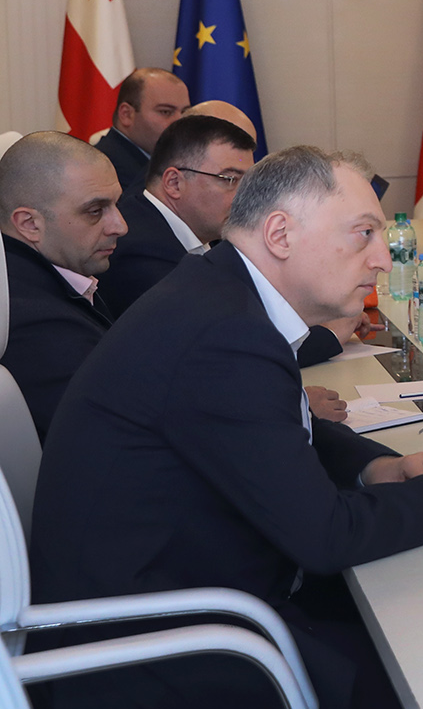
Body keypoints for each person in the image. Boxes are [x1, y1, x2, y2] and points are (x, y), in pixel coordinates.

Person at [31, 145, 423, 709]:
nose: (381, 257)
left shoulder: (219, 294)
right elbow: (325, 536)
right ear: (281, 234)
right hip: (163, 658)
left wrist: (375, 464)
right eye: (363, 234)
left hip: (194, 606)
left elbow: (283, 425)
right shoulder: (223, 331)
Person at [0, 132, 124, 437]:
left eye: (116, 204)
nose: (120, 226)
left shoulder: (36, 276)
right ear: (30, 224)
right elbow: (112, 435)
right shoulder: (39, 322)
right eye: (95, 211)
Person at [100, 113, 256, 319]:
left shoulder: (210, 236)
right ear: (174, 183)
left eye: (248, 183)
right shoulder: (138, 252)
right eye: (230, 179)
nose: (245, 197)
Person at [94, 67, 188, 192]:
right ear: (127, 114)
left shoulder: (156, 161)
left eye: (185, 112)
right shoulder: (105, 171)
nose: (180, 121)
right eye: (165, 112)